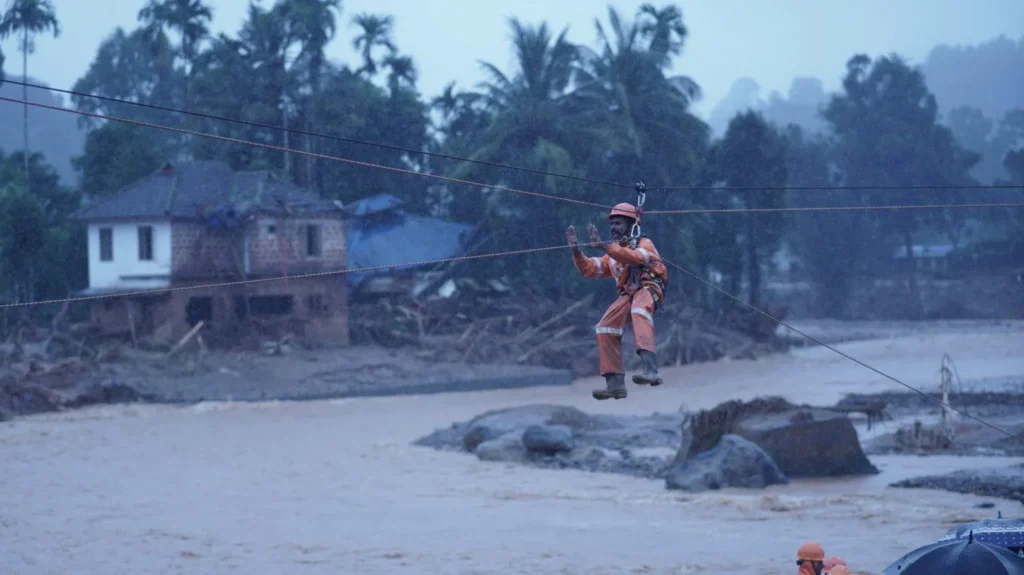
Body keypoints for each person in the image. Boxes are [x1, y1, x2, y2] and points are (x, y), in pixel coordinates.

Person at [566, 202, 668, 400]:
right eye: (612, 225)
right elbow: (590, 268)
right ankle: (615, 384)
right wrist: (577, 253)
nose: (613, 228)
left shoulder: (644, 244)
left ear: (631, 225)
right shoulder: (612, 255)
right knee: (605, 326)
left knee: (639, 311)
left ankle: (651, 370)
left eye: (619, 224)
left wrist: (606, 247)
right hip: (628, 294)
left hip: (648, 289)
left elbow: (637, 258)